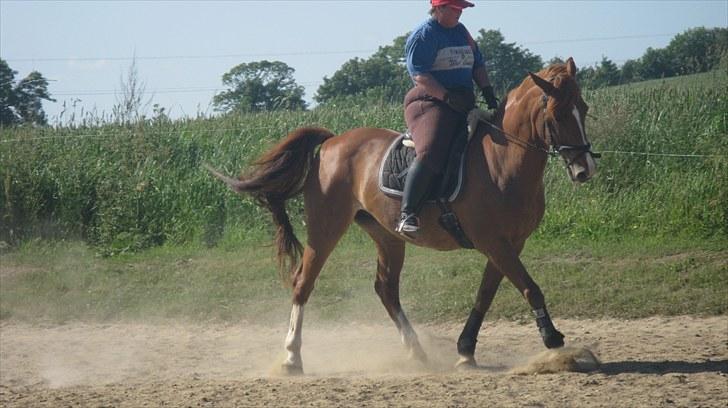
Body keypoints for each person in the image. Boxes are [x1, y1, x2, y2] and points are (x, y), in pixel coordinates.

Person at [396, 0, 499, 234]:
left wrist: (488, 91)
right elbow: (420, 75)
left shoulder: (462, 32)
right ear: (439, 9)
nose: (459, 13)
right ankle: (408, 213)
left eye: (461, 9)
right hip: (430, 102)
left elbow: (478, 65)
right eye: (454, 9)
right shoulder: (424, 35)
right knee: (432, 147)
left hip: (462, 102)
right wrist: (447, 97)